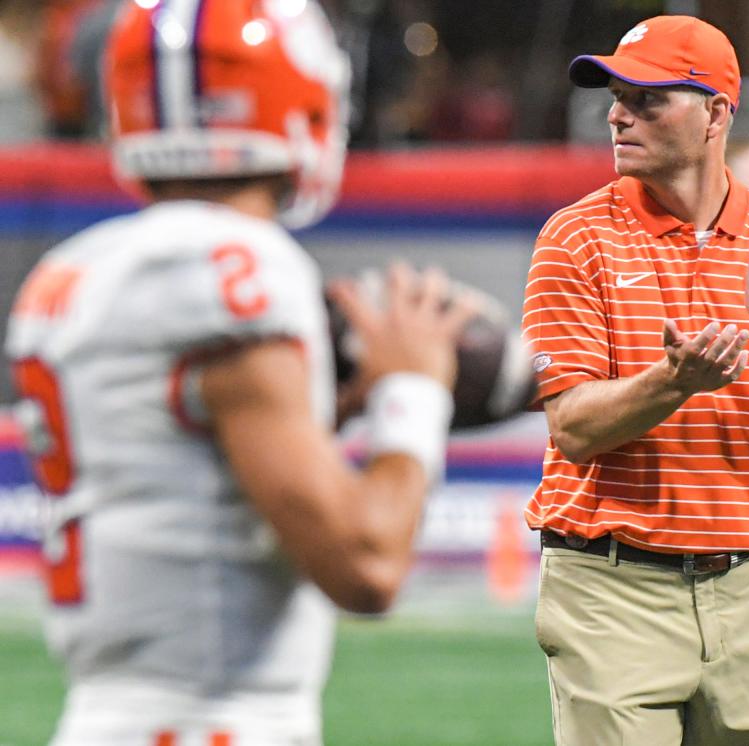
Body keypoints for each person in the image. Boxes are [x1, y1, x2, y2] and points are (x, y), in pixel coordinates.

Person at [4, 2, 470, 744]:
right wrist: (412, 392)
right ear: (303, 98)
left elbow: (182, 461)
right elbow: (367, 565)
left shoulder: (72, 272)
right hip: (210, 722)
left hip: (106, 713)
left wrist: (327, 413)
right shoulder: (238, 269)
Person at [522, 15, 749, 745]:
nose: (617, 113)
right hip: (613, 591)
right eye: (617, 96)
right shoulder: (574, 238)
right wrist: (674, 382)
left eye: (648, 99)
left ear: (715, 113)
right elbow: (572, 427)